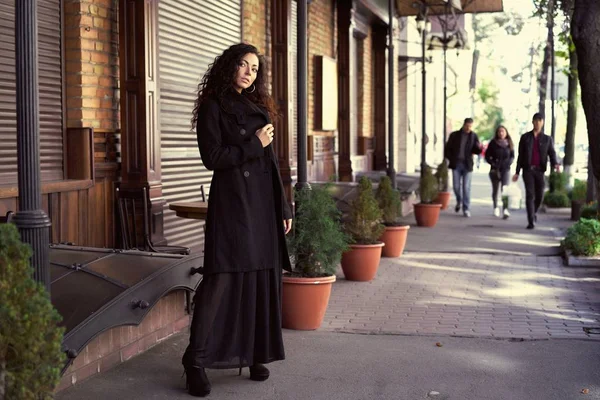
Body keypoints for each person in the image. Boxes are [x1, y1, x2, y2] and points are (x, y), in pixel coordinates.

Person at [182, 43, 293, 397]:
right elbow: (212, 157)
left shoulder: (257, 106)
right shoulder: (213, 106)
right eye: (243, 65)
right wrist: (254, 143)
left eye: (255, 69)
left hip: (262, 204)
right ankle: (194, 361)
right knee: (223, 278)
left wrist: (284, 208)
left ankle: (255, 351)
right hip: (233, 204)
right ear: (229, 66)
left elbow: (271, 163)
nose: (249, 72)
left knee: (262, 277)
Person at [512, 113, 559, 229]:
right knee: (530, 195)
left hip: (540, 171)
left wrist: (555, 164)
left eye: (540, 121)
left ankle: (534, 212)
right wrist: (517, 172)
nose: (537, 123)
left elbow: (552, 153)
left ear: (542, 122)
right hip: (528, 170)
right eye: (535, 121)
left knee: (540, 195)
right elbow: (520, 156)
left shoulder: (547, 139)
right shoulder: (525, 137)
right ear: (532, 122)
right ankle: (530, 220)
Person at [444, 118, 483, 217]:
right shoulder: (455, 135)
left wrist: (479, 148)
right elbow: (447, 148)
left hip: (467, 165)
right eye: (467, 126)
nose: (468, 128)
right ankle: (459, 200)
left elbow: (476, 151)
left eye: (470, 126)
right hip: (456, 164)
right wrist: (451, 158)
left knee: (466, 187)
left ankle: (466, 208)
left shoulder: (473, 136)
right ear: (464, 125)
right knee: (456, 186)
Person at [485, 125, 515, 219]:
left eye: (503, 131)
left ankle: (505, 209)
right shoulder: (493, 143)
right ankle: (495, 207)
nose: (501, 133)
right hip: (495, 169)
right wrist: (493, 163)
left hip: (505, 169)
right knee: (495, 190)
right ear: (497, 133)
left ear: (506, 133)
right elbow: (487, 156)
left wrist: (508, 163)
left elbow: (512, 156)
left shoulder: (509, 143)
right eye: (499, 131)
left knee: (505, 190)